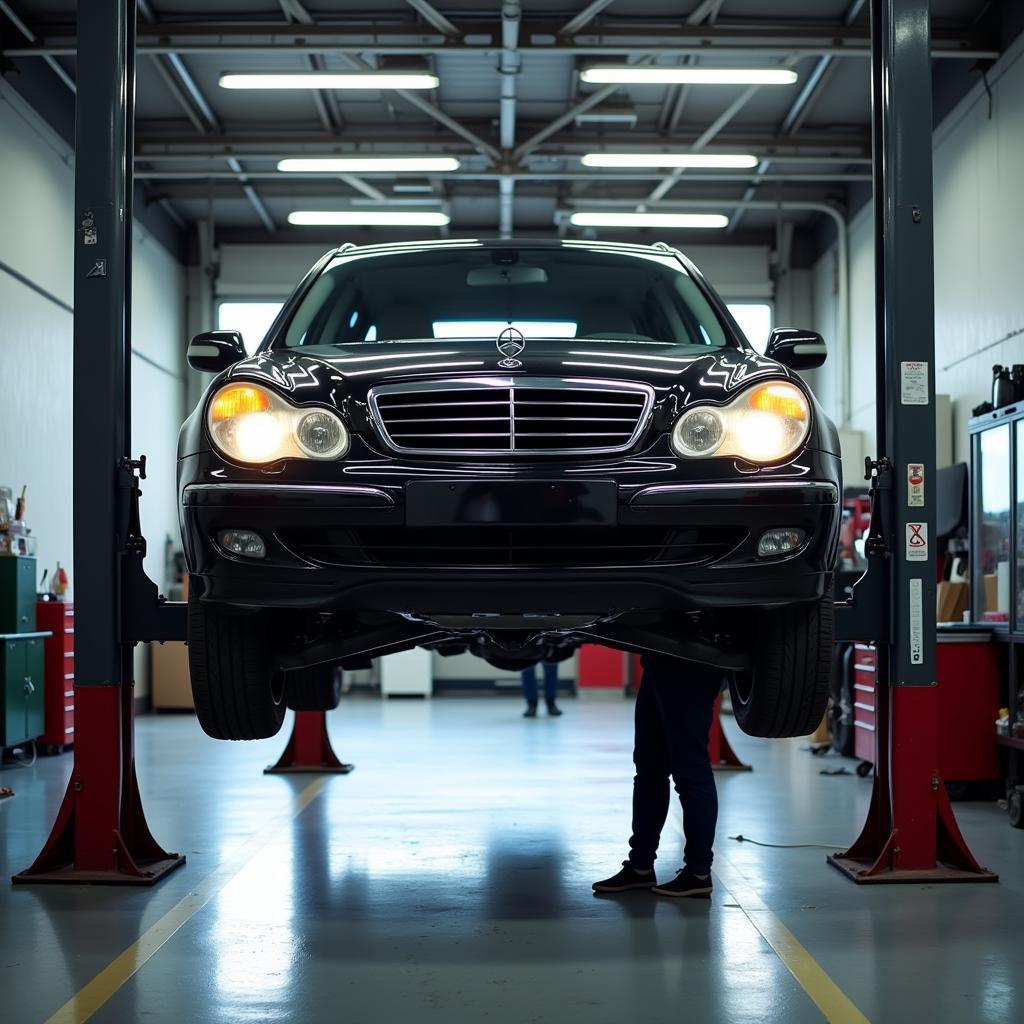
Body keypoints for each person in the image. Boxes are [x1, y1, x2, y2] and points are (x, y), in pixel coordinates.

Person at [593, 654, 723, 898]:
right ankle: (641, 866)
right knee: (648, 767)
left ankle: (698, 873)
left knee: (690, 770)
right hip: (657, 660)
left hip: (692, 658)